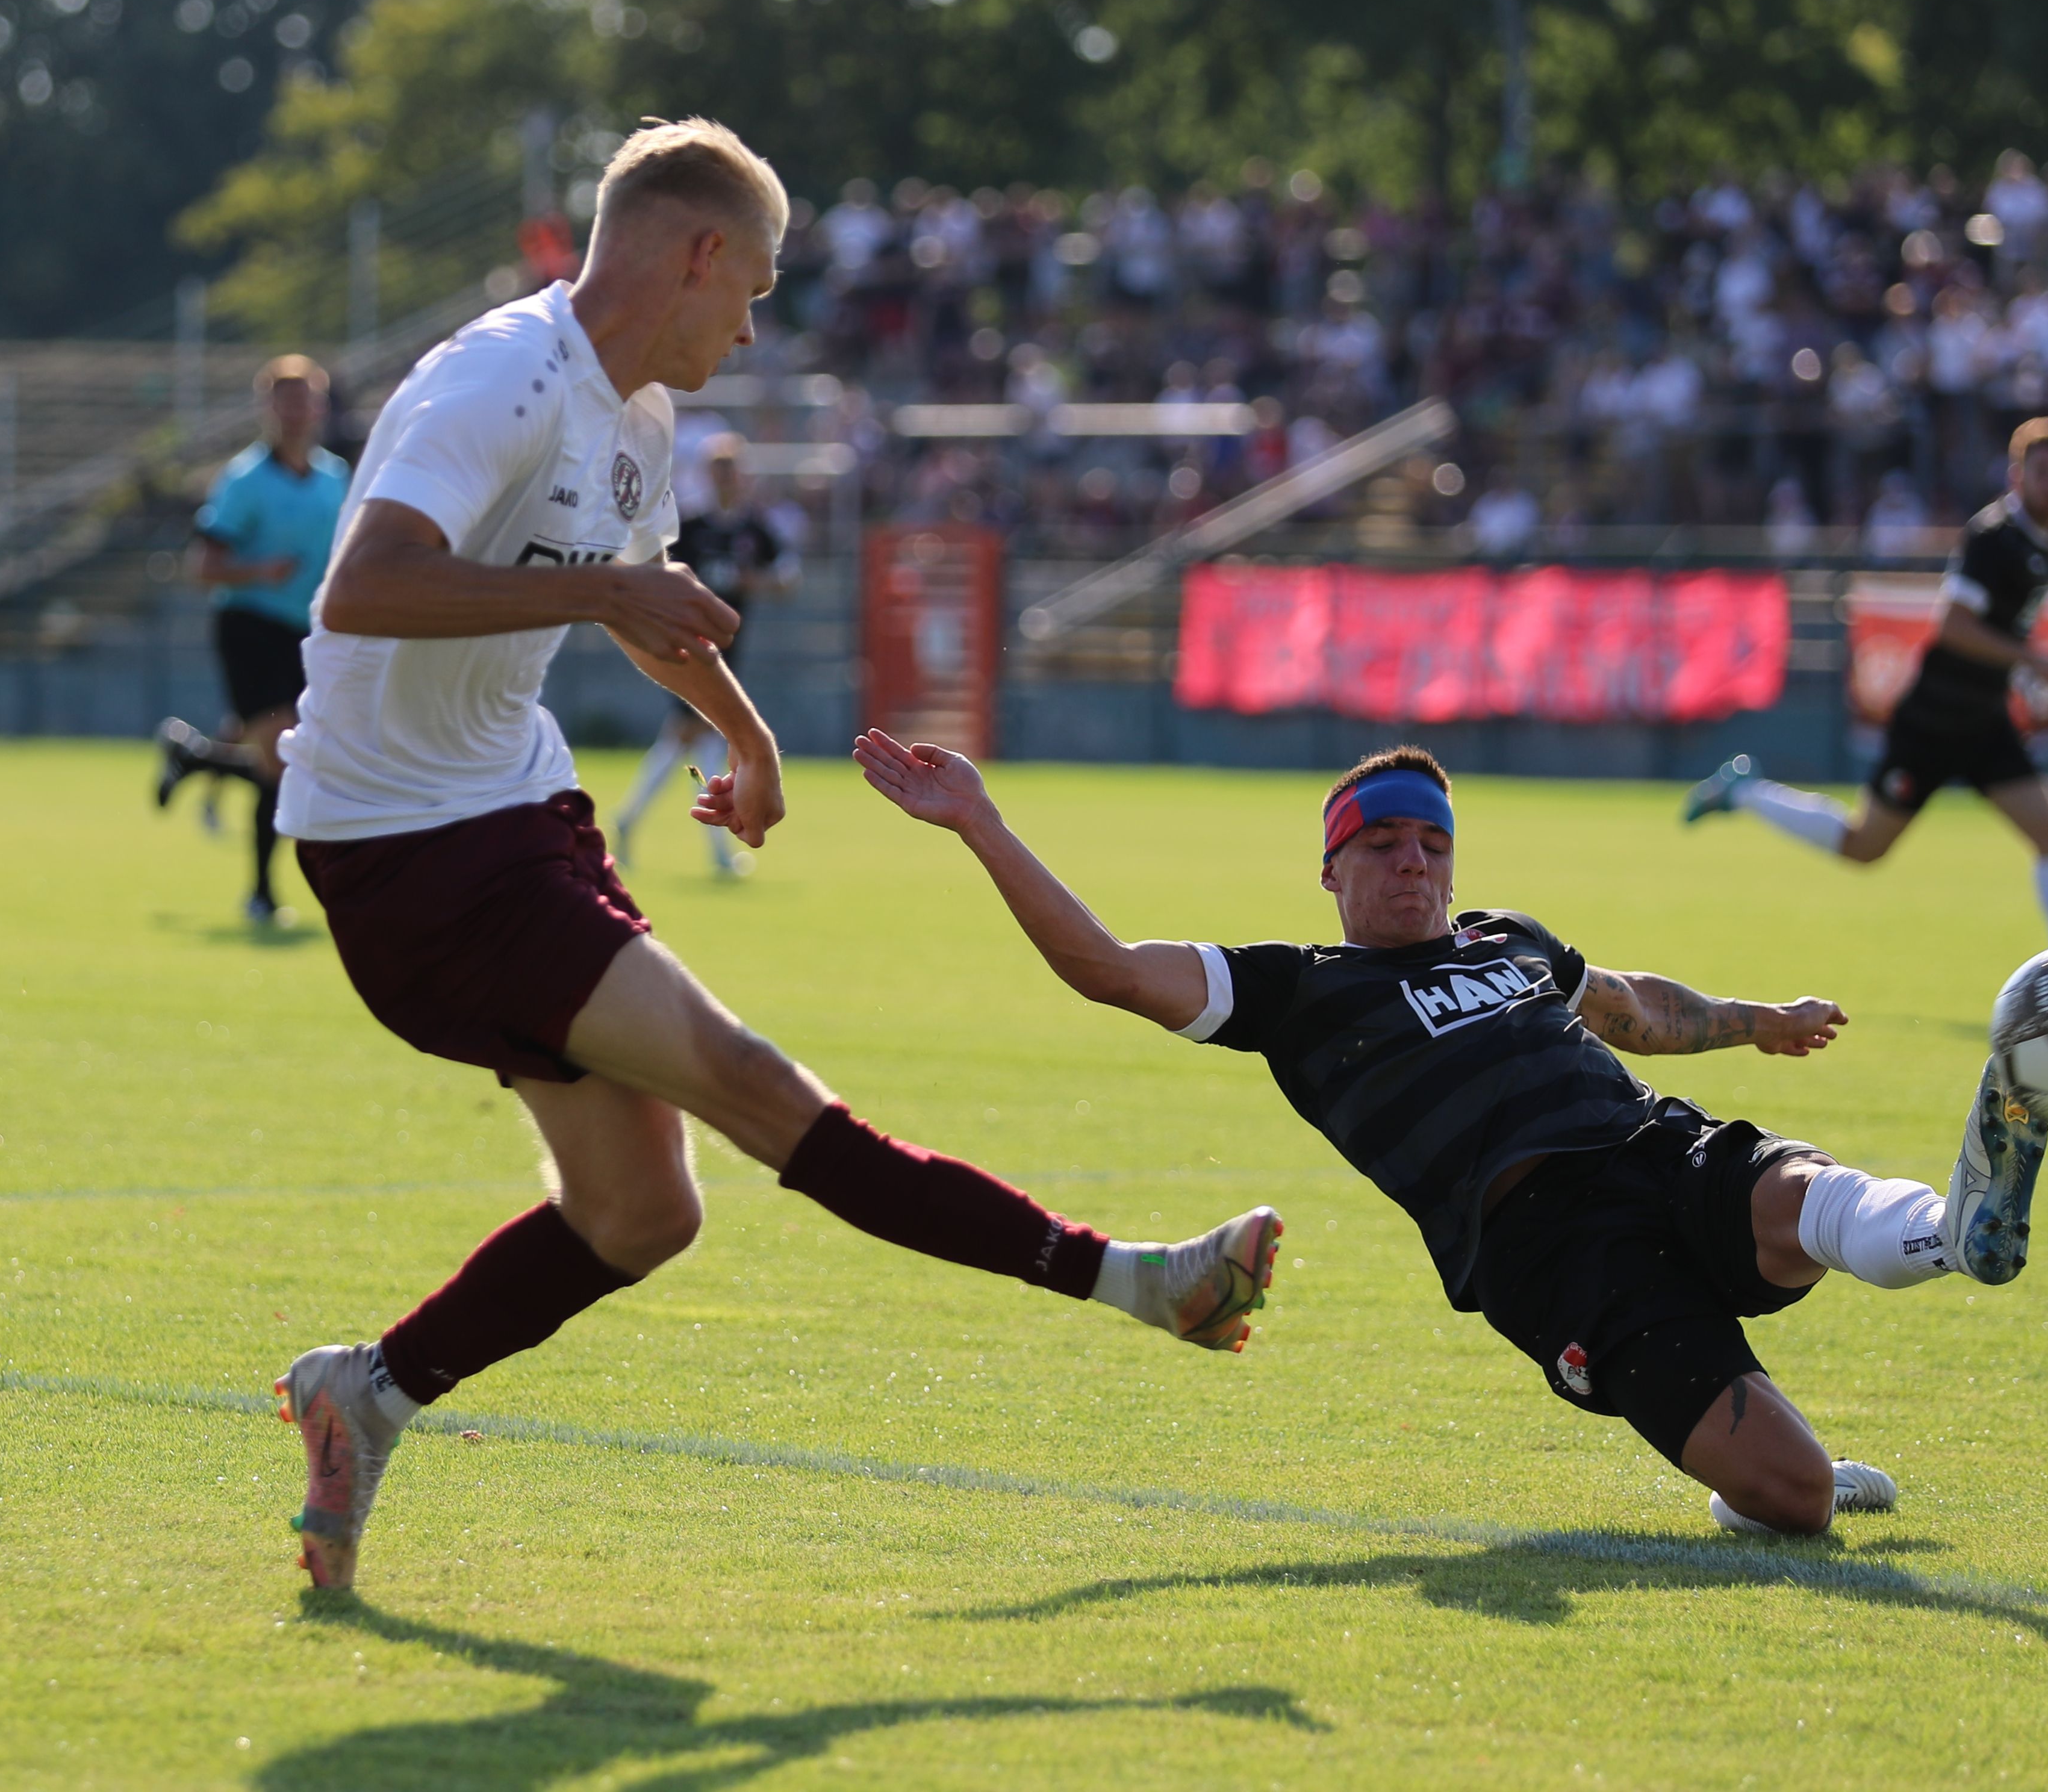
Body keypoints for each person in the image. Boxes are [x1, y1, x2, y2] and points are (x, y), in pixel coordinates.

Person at [265, 119, 1281, 1591]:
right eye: (750, 286)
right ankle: (1138, 1283)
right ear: (693, 252)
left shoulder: (638, 420)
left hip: (513, 814)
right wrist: (623, 587)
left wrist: (746, 736)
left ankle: (367, 1391)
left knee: (641, 1214)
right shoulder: (504, 375)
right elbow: (363, 591)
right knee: (753, 1086)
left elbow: (638, 606)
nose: (754, 325)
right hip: (406, 850)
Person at [856, 734, 2048, 1537]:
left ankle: (1963, 1226)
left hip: (1654, 1147)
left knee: (1799, 1192)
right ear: (1331, 868)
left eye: (1432, 842)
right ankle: (1763, 1485)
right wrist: (981, 822)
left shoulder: (1507, 938)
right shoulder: (1298, 990)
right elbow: (1108, 967)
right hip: (1551, 1251)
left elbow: (1630, 1006)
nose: (1413, 863)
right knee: (1798, 1499)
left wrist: (1759, 1020)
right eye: (1382, 844)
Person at [1683, 417, 2048, 945]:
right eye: (2043, 472)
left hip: (1986, 720)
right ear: (2017, 475)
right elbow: (1953, 625)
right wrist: (2029, 659)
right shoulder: (1994, 537)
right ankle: (1746, 793)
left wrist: (2021, 670)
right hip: (1936, 719)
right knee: (1864, 847)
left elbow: (1996, 633)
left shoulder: (2044, 545)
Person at [153, 355, 349, 922]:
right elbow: (202, 566)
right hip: (251, 628)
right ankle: (262, 894)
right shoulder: (245, 479)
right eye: (284, 402)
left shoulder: (336, 478)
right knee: (281, 755)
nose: (296, 413)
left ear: (320, 407)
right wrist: (259, 572)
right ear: (268, 409)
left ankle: (196, 759)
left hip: (307, 631)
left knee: (289, 760)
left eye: (306, 400)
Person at [610, 434, 791, 878]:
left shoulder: (753, 530)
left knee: (680, 744)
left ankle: (630, 820)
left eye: (732, 467)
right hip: (691, 650)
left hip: (732, 653)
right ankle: (719, 850)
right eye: (718, 467)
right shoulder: (692, 526)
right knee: (710, 742)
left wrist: (754, 582)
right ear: (709, 474)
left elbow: (788, 575)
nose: (726, 476)